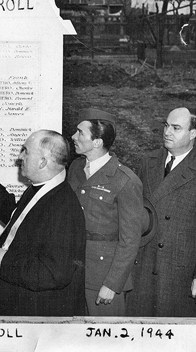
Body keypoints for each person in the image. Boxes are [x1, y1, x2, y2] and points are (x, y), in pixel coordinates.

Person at [0, 129, 86, 316]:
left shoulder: (64, 208)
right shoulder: (42, 188)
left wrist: (5, 262)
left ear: (42, 162)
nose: (19, 157)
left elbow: (54, 273)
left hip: (33, 311)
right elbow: (23, 221)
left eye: (25, 151)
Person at [128, 107, 196, 317]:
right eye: (166, 125)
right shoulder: (148, 162)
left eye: (176, 128)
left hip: (180, 270)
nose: (167, 132)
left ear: (193, 134)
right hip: (144, 263)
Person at [68, 108, 143, 316]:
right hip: (74, 272)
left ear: (97, 142)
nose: (73, 137)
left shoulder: (125, 181)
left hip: (103, 278)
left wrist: (112, 284)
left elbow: (130, 240)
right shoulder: (75, 168)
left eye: (80, 132)